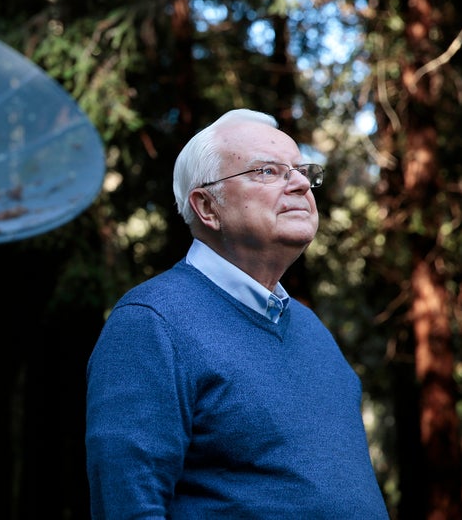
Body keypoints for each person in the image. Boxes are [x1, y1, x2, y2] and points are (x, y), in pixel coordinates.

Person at [85, 109, 388, 518]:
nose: (300, 183)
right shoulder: (150, 323)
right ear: (208, 206)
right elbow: (129, 505)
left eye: (302, 170)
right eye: (267, 171)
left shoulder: (311, 329)